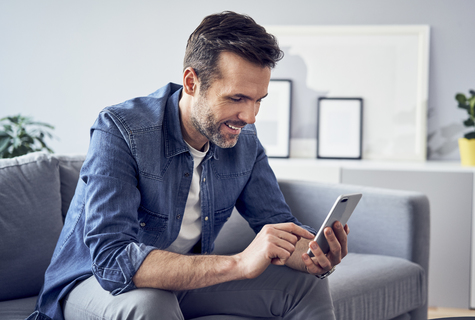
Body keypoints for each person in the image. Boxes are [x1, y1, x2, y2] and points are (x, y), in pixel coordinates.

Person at [27, 11, 349, 320]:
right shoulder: (120, 130)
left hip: (180, 280)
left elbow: (280, 227)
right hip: (91, 282)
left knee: (306, 285)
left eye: (258, 100)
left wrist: (313, 254)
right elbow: (113, 261)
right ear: (192, 82)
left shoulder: (244, 141)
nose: (250, 117)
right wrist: (237, 263)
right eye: (237, 98)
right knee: (151, 305)